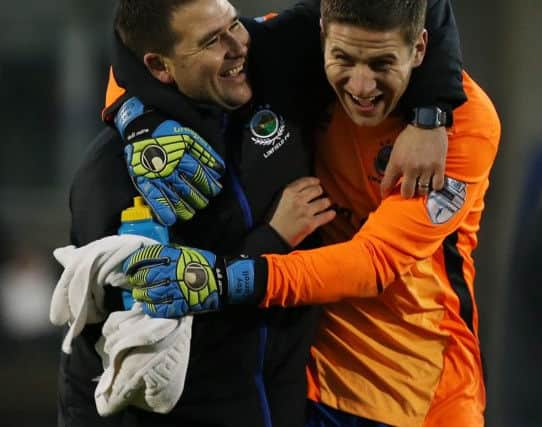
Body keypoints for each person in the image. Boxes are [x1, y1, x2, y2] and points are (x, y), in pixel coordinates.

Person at [55, 1, 466, 426]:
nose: (240, 44)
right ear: (159, 67)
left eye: (234, 24)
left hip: (292, 402)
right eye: (214, 40)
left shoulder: (271, 80)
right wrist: (270, 242)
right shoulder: (119, 171)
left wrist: (430, 115)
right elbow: (150, 345)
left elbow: (414, 6)